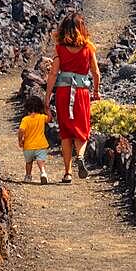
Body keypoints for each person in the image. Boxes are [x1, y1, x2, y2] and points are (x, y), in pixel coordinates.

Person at [44, 11, 100, 183]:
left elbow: (53, 74)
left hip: (63, 93)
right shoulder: (88, 49)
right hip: (82, 93)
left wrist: (47, 98)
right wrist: (96, 92)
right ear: (82, 28)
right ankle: (81, 157)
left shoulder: (59, 49)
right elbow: (96, 73)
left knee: (66, 133)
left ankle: (67, 173)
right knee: (82, 131)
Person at [18, 94, 51, 184]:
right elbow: (49, 119)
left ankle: (28, 176)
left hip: (28, 146)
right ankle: (43, 173)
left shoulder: (25, 119)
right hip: (41, 145)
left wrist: (20, 140)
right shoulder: (41, 117)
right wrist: (47, 110)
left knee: (29, 162)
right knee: (40, 161)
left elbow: (21, 130)